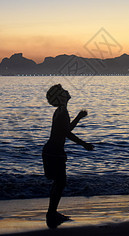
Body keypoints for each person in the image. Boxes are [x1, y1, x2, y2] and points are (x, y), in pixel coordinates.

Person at [43, 84, 94, 229]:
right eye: (64, 91)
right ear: (60, 97)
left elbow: (65, 129)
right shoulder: (62, 112)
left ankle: (52, 213)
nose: (67, 91)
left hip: (51, 151)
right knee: (60, 182)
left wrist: (78, 117)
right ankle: (51, 214)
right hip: (54, 152)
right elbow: (67, 133)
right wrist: (84, 144)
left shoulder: (61, 111)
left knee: (59, 183)